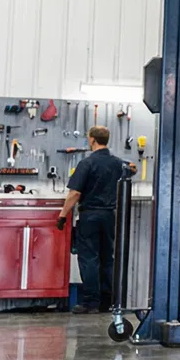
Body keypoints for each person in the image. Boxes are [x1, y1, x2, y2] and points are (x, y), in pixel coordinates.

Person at [59, 126, 134, 313]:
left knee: (89, 258)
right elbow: (132, 168)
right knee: (108, 258)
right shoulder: (117, 163)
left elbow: (75, 193)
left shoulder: (87, 163)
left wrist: (62, 215)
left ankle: (90, 302)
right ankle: (108, 301)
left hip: (90, 216)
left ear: (92, 139)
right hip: (110, 216)